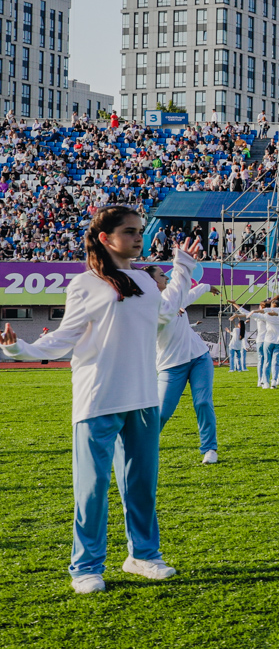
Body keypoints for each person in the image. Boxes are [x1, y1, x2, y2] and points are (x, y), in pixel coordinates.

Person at [0, 208, 201, 594]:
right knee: (91, 490)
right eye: (129, 232)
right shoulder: (84, 285)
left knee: (142, 485)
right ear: (106, 238)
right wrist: (18, 350)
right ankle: (86, 567)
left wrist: (183, 266)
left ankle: (143, 556)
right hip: (98, 398)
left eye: (140, 231)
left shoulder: (143, 279)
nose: (138, 238)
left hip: (142, 397)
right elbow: (63, 338)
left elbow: (167, 308)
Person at [150, 261, 220, 464]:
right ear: (151, 282)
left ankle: (209, 449)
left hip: (199, 358)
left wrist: (207, 287)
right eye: (162, 275)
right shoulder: (147, 308)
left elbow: (190, 294)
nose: (166, 277)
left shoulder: (174, 298)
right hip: (171, 366)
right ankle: (144, 447)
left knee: (203, 402)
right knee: (162, 411)